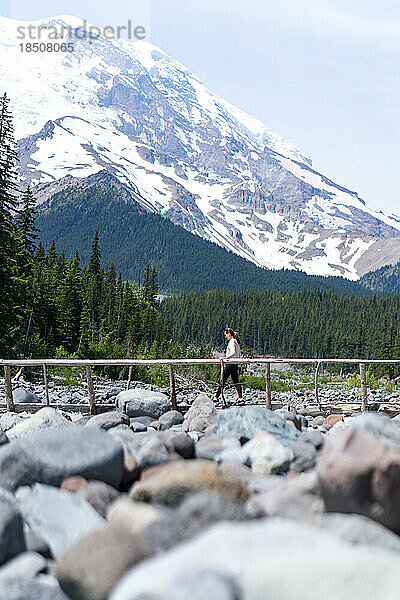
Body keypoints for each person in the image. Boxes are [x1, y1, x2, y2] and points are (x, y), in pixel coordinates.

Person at [215, 328, 243, 400]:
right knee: (236, 381)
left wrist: (225, 358)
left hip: (230, 363)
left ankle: (216, 397)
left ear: (229, 334)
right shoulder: (236, 341)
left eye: (226, 335)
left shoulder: (231, 342)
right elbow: (238, 353)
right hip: (235, 363)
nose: (225, 337)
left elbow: (233, 352)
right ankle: (240, 398)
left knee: (223, 380)